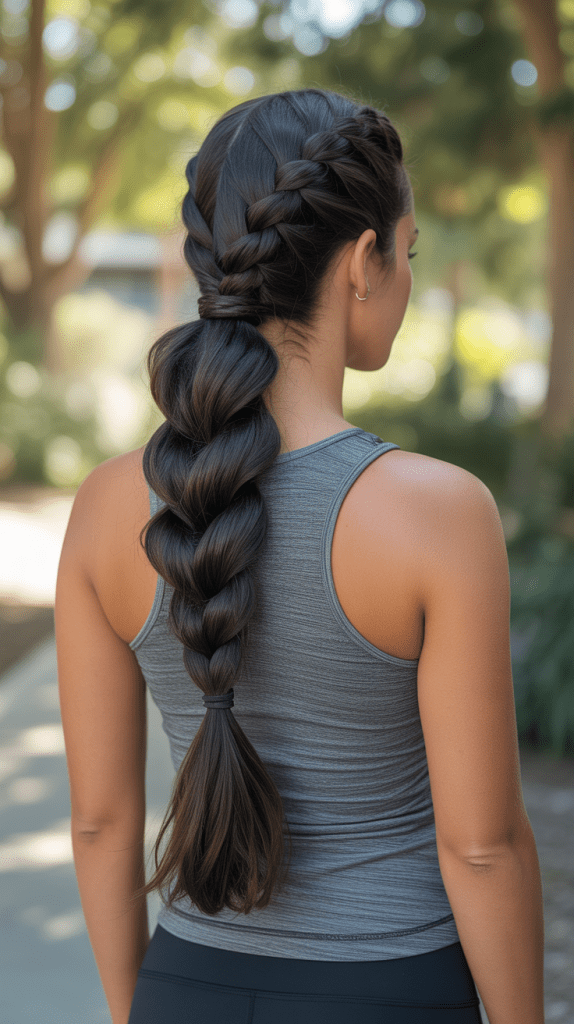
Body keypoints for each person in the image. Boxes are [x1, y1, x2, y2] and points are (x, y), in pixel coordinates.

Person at [55, 88, 545, 1024]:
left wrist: (138, 1009)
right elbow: (482, 847)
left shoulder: (103, 508)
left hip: (184, 984)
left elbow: (101, 824)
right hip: (390, 989)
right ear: (365, 260)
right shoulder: (440, 513)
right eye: (407, 252)